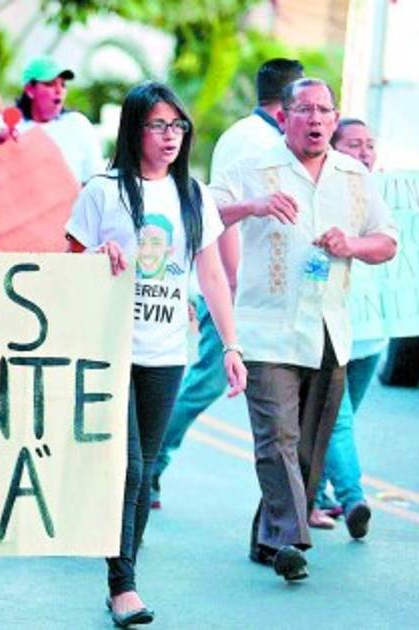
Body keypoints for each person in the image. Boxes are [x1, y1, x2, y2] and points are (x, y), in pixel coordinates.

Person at [66, 81, 246, 627]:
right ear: (134, 130)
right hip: (108, 346)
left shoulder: (192, 195)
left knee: (142, 472)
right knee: (130, 466)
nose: (170, 136)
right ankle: (123, 586)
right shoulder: (103, 191)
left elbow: (211, 275)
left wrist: (231, 345)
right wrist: (98, 255)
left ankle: (123, 570)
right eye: (158, 125)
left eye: (177, 126)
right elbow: (67, 261)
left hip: (166, 351)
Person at [212, 78, 397, 582]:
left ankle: (268, 539)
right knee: (278, 436)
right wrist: (252, 206)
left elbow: (387, 241)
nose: (315, 119)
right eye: (304, 110)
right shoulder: (253, 167)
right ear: (284, 117)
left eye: (324, 111)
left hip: (329, 330)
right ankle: (292, 541)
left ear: (334, 119)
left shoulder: (354, 176)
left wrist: (351, 245)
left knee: (308, 447)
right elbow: (205, 215)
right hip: (266, 329)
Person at [150, 58, 305, 510]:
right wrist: (232, 289)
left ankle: (319, 494)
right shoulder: (250, 141)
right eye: (305, 104)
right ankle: (151, 465)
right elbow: (219, 215)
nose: (312, 116)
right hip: (237, 290)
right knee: (206, 383)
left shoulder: (269, 138)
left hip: (267, 292)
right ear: (287, 103)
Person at [313, 117, 383, 539]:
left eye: (370, 144)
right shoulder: (326, 194)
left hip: (373, 334)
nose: (364, 152)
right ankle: (353, 498)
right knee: (336, 421)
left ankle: (314, 497)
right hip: (334, 330)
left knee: (336, 422)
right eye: (354, 144)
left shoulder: (383, 195)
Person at [0, 55, 104, 186]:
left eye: (63, 84)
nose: (59, 90)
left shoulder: (78, 124)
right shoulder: (2, 124)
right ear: (30, 90)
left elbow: (95, 180)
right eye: (50, 84)